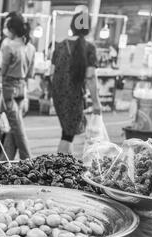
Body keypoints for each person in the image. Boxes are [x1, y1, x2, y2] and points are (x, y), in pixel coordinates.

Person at [51, 11, 101, 154]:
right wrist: (96, 102)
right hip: (75, 96)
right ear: (88, 28)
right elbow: (91, 77)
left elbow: (50, 72)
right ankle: (58, 166)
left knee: (67, 132)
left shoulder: (60, 45)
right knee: (67, 136)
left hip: (58, 96)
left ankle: (67, 165)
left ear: (72, 25)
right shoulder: (89, 48)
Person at [0, 12, 35, 160]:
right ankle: (5, 161)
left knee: (18, 129)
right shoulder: (31, 48)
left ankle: (28, 159)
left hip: (9, 87)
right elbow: (31, 73)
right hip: (22, 87)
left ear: (12, 30)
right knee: (15, 126)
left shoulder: (9, 46)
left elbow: (2, 71)